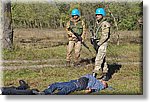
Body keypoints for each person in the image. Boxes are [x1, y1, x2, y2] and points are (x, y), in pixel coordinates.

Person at [34, 74, 108, 95]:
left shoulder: (99, 86)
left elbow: (88, 91)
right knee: (57, 84)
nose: (103, 81)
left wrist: (89, 90)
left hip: (79, 84)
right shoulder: (97, 82)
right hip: (76, 82)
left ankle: (48, 93)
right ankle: (45, 92)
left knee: (65, 89)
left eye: (104, 83)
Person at [92, 8, 111, 81]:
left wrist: (99, 43)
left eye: (99, 14)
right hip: (98, 43)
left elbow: (105, 36)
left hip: (102, 43)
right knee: (103, 59)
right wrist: (93, 39)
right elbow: (96, 33)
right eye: (96, 14)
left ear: (102, 15)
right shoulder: (97, 23)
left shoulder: (105, 24)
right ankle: (106, 74)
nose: (97, 16)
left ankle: (94, 74)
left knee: (98, 59)